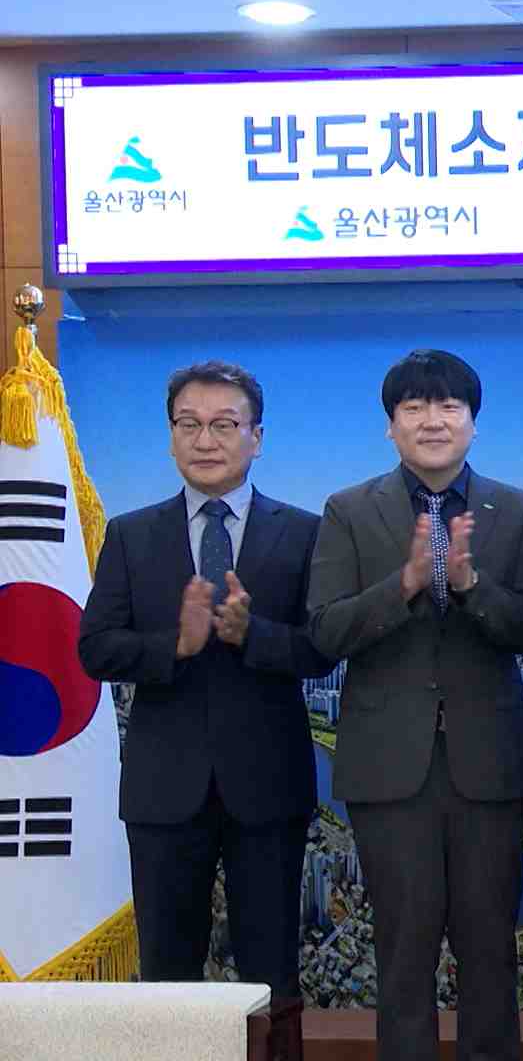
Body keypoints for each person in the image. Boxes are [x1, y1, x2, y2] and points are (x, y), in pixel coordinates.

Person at [306, 350, 523, 1061]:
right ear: (391, 426)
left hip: (488, 768)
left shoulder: (517, 510)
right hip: (388, 771)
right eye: (414, 407)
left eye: (448, 406)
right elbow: (323, 634)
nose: (432, 420)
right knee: (402, 958)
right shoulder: (349, 511)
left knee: (490, 954)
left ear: (473, 423)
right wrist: (404, 584)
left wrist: (470, 586)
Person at [79, 360, 334, 1010]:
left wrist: (253, 634)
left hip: (268, 787)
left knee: (272, 981)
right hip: (163, 791)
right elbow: (95, 648)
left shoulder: (305, 533)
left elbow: (323, 648)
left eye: (224, 425)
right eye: (188, 424)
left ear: (257, 437)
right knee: (167, 983)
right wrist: (176, 645)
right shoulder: (131, 535)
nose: (205, 440)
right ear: (170, 436)